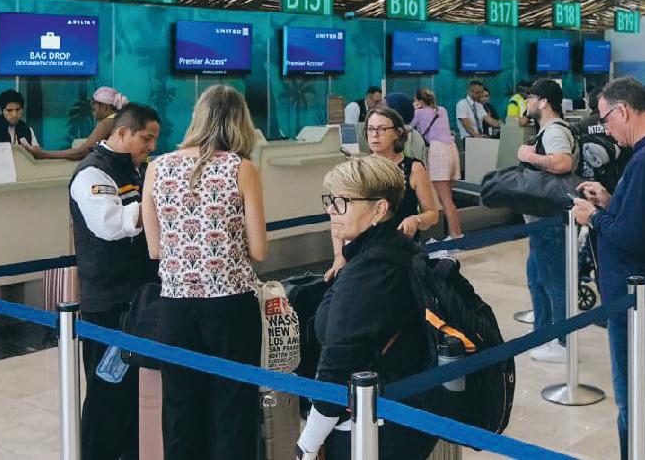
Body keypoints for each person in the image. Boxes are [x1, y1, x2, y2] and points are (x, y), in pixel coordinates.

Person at [140, 85, 266, 460]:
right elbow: (259, 250)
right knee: (233, 408)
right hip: (231, 306)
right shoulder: (242, 169)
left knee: (180, 409)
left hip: (176, 306)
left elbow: (155, 249)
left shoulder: (157, 168)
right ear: (240, 122)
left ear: (198, 118)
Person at [571, 77, 645, 459]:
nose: (606, 130)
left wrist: (593, 216)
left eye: (606, 119)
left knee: (634, 400)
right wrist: (610, 201)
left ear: (622, 110)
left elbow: (632, 236)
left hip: (633, 296)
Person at [296, 156, 439, 460]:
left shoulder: (371, 271)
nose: (331, 210)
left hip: (370, 430)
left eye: (343, 202)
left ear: (379, 209)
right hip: (401, 415)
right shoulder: (394, 249)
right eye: (331, 200)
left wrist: (307, 444)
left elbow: (338, 367)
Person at [68, 103, 161, 460]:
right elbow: (110, 224)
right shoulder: (92, 173)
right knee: (106, 393)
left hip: (142, 300)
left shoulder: (139, 170)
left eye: (154, 139)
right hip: (108, 305)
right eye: (146, 138)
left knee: (135, 394)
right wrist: (158, 202)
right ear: (122, 132)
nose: (151, 146)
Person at [324, 106, 439, 280]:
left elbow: (432, 214)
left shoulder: (414, 168)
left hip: (401, 255)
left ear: (397, 133)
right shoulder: (360, 169)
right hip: (364, 254)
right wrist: (339, 257)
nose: (375, 135)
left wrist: (416, 219)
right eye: (370, 129)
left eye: (382, 129)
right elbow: (339, 215)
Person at [518, 79, 578, 363]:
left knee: (554, 282)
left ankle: (564, 343)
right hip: (541, 220)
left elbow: (563, 162)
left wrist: (529, 155)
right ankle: (544, 334)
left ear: (543, 102)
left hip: (550, 220)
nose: (527, 102)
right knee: (537, 278)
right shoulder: (548, 131)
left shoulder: (554, 131)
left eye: (531, 98)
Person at [410, 88, 463, 240]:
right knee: (448, 199)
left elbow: (407, 126)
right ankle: (455, 233)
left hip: (438, 152)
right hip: (451, 149)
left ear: (419, 101)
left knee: (445, 200)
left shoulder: (419, 113)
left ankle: (455, 236)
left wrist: (414, 109)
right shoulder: (442, 110)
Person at [27, 86, 130, 161]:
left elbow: (81, 152)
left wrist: (43, 154)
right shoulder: (120, 118)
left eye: (94, 104)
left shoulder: (107, 122)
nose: (91, 108)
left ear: (104, 107)